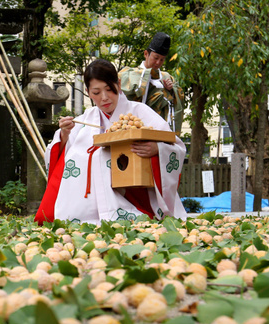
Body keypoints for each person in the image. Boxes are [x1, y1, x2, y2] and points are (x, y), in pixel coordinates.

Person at [35, 59, 187, 225]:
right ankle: (82, 216)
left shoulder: (139, 112)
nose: (104, 98)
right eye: (96, 92)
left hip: (134, 196)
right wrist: (65, 133)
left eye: (109, 89)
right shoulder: (84, 120)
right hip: (84, 205)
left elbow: (176, 146)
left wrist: (157, 148)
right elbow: (56, 152)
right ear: (88, 92)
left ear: (119, 84)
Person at [119, 32, 185, 134]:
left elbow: (176, 105)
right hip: (134, 127)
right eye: (156, 58)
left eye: (162, 59)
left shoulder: (166, 77)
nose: (158, 62)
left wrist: (171, 91)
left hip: (159, 129)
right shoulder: (131, 74)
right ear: (146, 54)